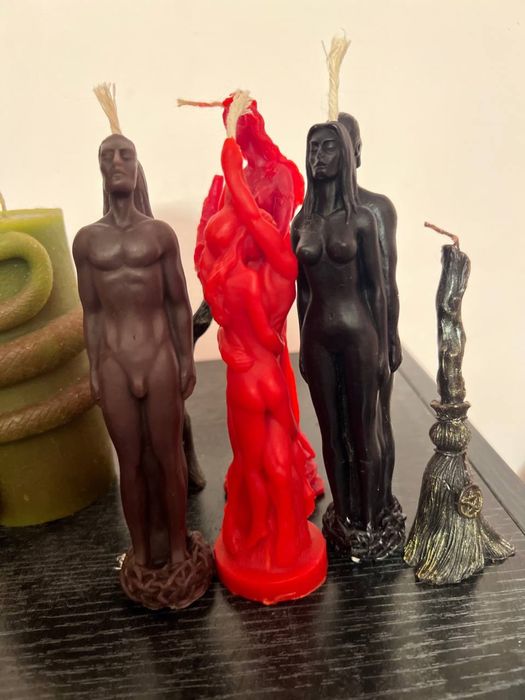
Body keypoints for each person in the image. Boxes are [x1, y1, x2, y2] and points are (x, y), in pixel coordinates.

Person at [73, 133, 199, 575]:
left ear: (136, 164)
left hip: (158, 357)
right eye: (106, 156)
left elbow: (179, 303)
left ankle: (179, 550)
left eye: (125, 154)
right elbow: (91, 312)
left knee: (168, 456)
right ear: (100, 168)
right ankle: (142, 552)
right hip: (114, 365)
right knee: (130, 462)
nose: (116, 162)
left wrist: (185, 358)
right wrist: (93, 369)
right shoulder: (87, 241)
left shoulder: (159, 235)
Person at [291, 121, 404, 559]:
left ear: (345, 155)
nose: (318, 157)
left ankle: (371, 519)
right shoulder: (302, 221)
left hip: (359, 335)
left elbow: (377, 288)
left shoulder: (362, 219)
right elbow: (302, 290)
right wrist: (303, 343)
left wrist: (385, 344)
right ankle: (345, 513)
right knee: (331, 432)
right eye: (313, 149)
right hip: (318, 336)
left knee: (363, 428)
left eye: (328, 148)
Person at [337, 112, 401, 505]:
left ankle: (380, 501)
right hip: (336, 336)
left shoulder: (376, 209)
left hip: (370, 332)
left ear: (356, 152)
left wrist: (389, 339)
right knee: (344, 424)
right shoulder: (316, 216)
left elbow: (385, 283)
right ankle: (352, 503)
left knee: (377, 421)